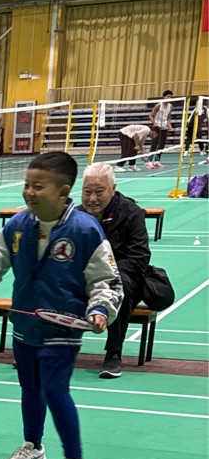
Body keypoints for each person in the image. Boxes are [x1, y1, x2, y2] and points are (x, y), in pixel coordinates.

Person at [0, 150, 121, 459]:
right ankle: (33, 447)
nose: (29, 192)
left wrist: (101, 310)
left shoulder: (85, 229)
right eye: (27, 184)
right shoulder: (17, 226)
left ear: (63, 191)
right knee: (30, 388)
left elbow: (106, 280)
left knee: (55, 389)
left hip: (63, 325)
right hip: (26, 322)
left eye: (38, 186)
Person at [79, 161, 151, 379]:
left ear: (113, 189)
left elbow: (139, 259)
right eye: (87, 192)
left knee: (122, 286)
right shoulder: (77, 216)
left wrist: (104, 272)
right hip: (85, 277)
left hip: (121, 276)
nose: (92, 198)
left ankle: (113, 353)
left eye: (99, 192)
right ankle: (43, 346)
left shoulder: (132, 213)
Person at [147, 89, 176, 166]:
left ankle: (157, 161)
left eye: (170, 97)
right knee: (155, 144)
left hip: (164, 127)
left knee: (162, 145)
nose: (169, 98)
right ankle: (149, 162)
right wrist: (155, 123)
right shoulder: (158, 105)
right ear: (163, 97)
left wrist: (169, 124)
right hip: (157, 127)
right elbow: (150, 115)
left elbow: (168, 117)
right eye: (167, 96)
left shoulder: (170, 106)